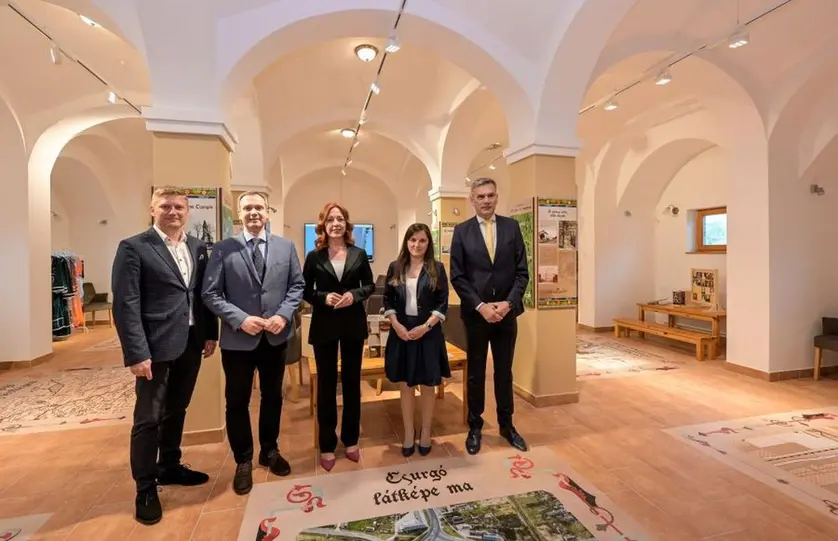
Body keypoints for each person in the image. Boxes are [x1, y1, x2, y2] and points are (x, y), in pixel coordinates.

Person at [111, 186, 219, 526]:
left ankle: (169, 465)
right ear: (152, 209)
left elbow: (201, 294)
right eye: (165, 206)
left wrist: (210, 332)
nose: (173, 212)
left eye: (179, 207)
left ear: (188, 212)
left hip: (190, 342)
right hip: (154, 347)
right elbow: (126, 303)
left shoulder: (197, 247)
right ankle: (145, 488)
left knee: (177, 409)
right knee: (148, 418)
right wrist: (136, 352)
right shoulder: (134, 247)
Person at [201, 191, 304, 495]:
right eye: (248, 208)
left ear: (267, 212)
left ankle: (269, 450)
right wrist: (240, 319)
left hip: (274, 337)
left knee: (273, 397)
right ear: (240, 213)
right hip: (238, 341)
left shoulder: (286, 247)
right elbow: (210, 293)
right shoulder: (223, 249)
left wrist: (283, 315)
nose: (254, 213)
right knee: (237, 402)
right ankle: (243, 459)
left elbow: (296, 286)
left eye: (259, 207)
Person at [449, 177, 529, 455]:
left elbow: (522, 273)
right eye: (480, 196)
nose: (486, 200)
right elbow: (457, 276)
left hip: (506, 314)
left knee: (504, 372)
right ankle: (475, 426)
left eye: (490, 195)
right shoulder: (462, 231)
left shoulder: (511, 227)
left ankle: (507, 426)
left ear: (497, 197)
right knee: (475, 373)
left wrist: (508, 304)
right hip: (476, 316)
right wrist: (481, 306)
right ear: (472, 199)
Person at [302, 202, 375, 472]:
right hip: (325, 325)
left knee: (353, 383)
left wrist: (354, 295)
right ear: (324, 225)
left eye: (340, 219)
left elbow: (369, 286)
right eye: (331, 219)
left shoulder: (359, 253)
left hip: (353, 324)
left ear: (347, 224)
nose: (336, 224)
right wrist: (323, 298)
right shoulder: (314, 256)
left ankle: (351, 440)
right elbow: (304, 290)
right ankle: (327, 444)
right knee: (326, 385)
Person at [383, 223, 451, 457]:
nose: (417, 245)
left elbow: (442, 302)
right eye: (413, 240)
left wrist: (426, 327)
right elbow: (388, 300)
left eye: (422, 240)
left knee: (428, 385)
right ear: (406, 242)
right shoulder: (395, 267)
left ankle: (425, 432)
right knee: (406, 385)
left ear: (428, 243)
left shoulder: (437, 268)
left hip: (428, 333)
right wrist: (396, 325)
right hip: (401, 332)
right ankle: (408, 432)